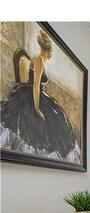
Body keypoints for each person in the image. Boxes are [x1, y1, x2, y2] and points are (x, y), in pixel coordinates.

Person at [0, 30, 78, 159]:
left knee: (58, 117)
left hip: (40, 95)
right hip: (31, 95)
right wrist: (37, 108)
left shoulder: (42, 62)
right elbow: (36, 86)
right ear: (49, 50)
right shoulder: (39, 60)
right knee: (42, 123)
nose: (52, 55)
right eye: (52, 52)